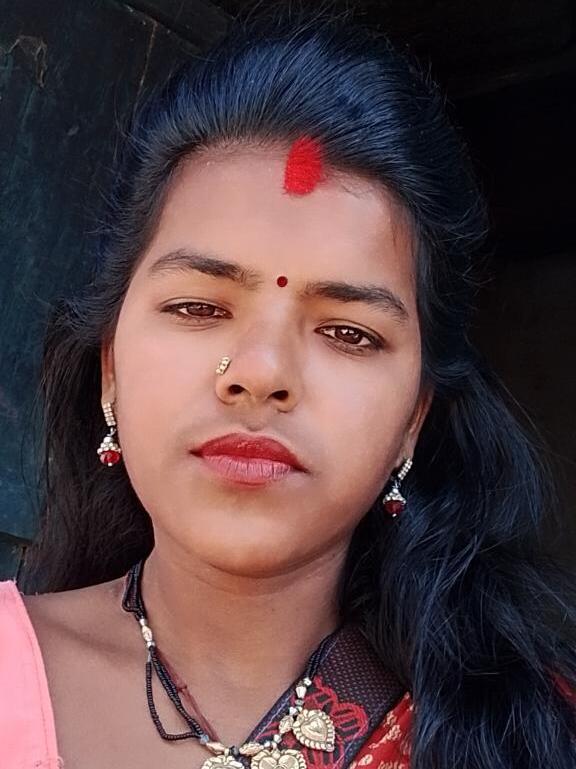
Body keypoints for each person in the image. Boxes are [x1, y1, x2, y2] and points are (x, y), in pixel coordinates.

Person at [1, 4, 575, 768]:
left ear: (413, 419)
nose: (261, 373)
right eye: (199, 307)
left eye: (348, 332)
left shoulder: (529, 734)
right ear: (110, 367)